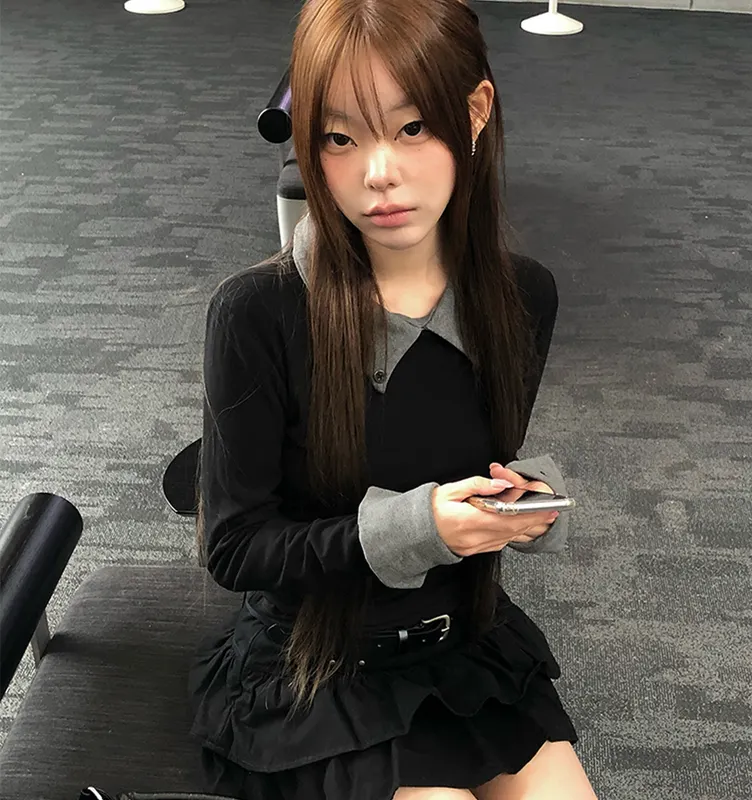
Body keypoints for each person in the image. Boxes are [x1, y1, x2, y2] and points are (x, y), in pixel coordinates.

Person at [187, 0, 599, 798]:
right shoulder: (257, 312)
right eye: (340, 139)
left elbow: (470, 451)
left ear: (474, 111)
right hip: (316, 670)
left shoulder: (523, 295)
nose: (377, 173)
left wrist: (520, 502)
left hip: (462, 647)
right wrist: (418, 526)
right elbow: (236, 548)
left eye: (412, 128)